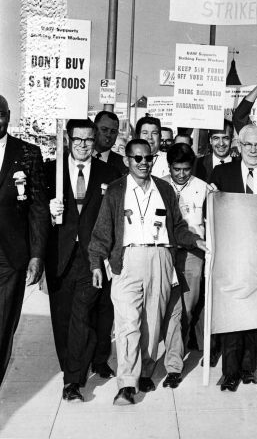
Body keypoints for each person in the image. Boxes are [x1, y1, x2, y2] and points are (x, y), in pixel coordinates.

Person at [88, 139, 206, 405]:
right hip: (127, 259)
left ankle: (146, 371)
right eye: (137, 158)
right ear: (127, 160)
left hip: (161, 257)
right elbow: (103, 230)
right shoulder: (116, 190)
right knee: (128, 323)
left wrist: (195, 240)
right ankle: (126, 383)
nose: (143, 163)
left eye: (148, 158)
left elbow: (177, 226)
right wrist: (96, 262)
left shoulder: (164, 188)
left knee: (152, 324)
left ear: (154, 160)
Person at [45, 119, 121, 401]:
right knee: (62, 318)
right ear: (68, 139)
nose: (83, 145)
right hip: (60, 256)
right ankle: (71, 366)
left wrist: (106, 259)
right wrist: (49, 210)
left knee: (81, 315)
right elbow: (36, 212)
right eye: (78, 139)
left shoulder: (108, 173)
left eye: (89, 140)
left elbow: (113, 218)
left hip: (92, 257)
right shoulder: (49, 170)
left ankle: (73, 380)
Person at [209, 125, 257, 391]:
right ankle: (230, 372)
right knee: (232, 314)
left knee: (255, 315)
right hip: (231, 254)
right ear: (239, 146)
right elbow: (212, 210)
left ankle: (250, 368)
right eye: (248, 145)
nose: (252, 150)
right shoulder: (222, 173)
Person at [0, 95, 50, 384]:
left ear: (9, 116)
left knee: (3, 323)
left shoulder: (28, 153)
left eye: (2, 114)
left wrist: (36, 255)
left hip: (10, 254)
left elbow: (38, 209)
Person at [161, 143, 208, 389]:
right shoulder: (158, 185)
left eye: (186, 169)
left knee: (187, 308)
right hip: (166, 252)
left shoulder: (204, 189)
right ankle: (173, 365)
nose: (181, 174)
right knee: (172, 310)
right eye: (176, 169)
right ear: (169, 166)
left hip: (192, 253)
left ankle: (176, 349)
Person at [92, 110, 125, 379]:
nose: (109, 135)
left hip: (107, 246)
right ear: (94, 129)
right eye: (104, 130)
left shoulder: (119, 165)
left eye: (113, 131)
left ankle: (101, 360)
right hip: (78, 244)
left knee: (105, 307)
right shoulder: (76, 157)